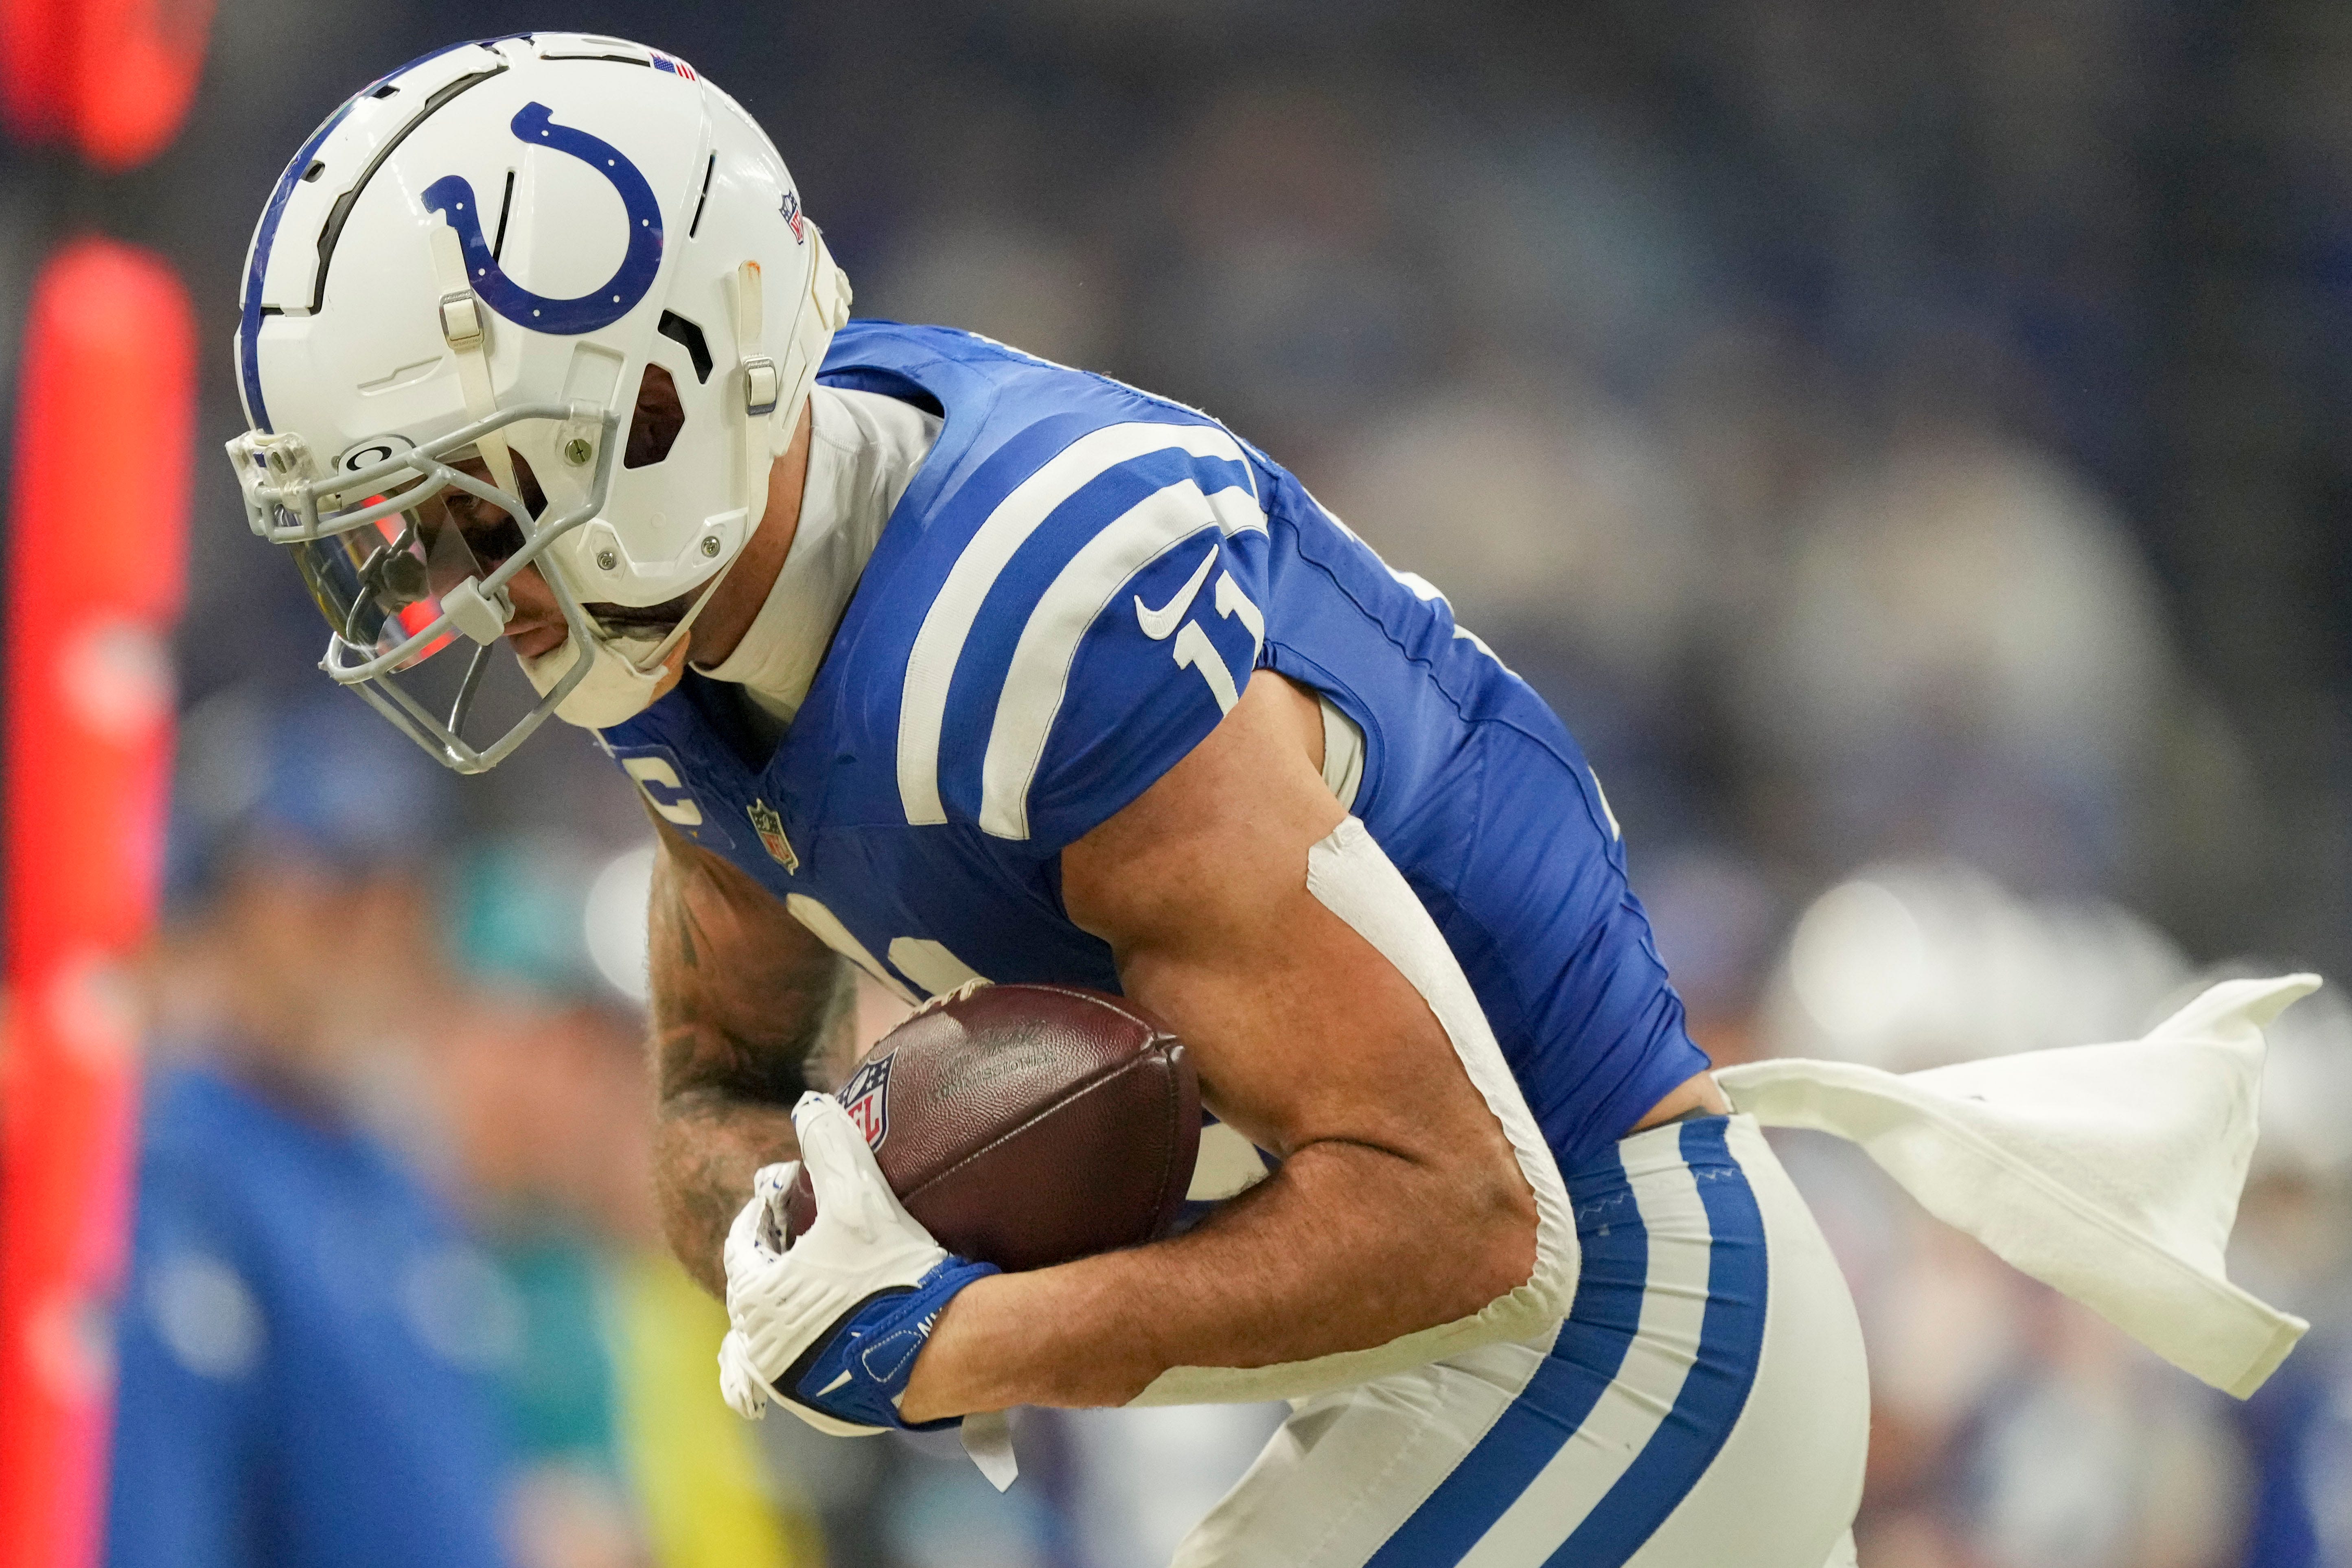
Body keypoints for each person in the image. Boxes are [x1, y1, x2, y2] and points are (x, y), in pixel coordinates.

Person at [219, 34, 2289, 1566]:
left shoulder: (1030, 613)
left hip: (1618, 1326)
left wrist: (960, 1337)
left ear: (674, 394)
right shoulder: (682, 626)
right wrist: (795, 1248)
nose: (444, 585)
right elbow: (712, 1099)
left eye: (468, 501)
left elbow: (1466, 1218)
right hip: (1406, 1361)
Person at [110, 694, 515, 1568]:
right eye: (329, 901)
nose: (372, 935)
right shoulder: (168, 1171)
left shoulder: (397, 1179)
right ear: (224, 911)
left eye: (397, 895)